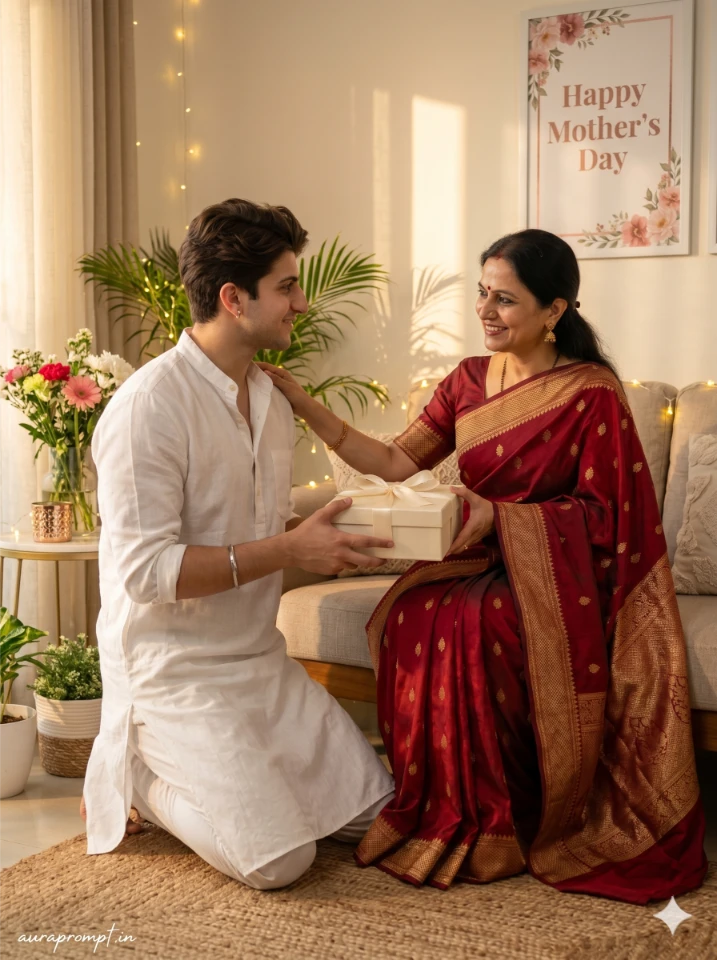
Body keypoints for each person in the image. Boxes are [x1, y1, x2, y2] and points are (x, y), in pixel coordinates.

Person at [262, 228, 708, 904]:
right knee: (412, 610)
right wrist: (302, 403)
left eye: (505, 299)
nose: (486, 310)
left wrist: (501, 516)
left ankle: (505, 820)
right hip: (472, 560)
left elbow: (603, 517)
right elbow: (392, 460)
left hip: (557, 578)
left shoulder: (590, 394)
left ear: (553, 311)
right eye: (481, 293)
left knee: (477, 619)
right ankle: (439, 808)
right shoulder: (467, 380)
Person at [81, 198, 395, 890]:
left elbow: (255, 527)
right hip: (176, 676)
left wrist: (326, 540)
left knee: (384, 820)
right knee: (282, 862)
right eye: (286, 285)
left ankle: (248, 785)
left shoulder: (271, 399)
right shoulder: (147, 409)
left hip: (258, 661)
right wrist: (289, 552)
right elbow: (145, 573)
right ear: (233, 297)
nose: (302, 303)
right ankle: (138, 774)